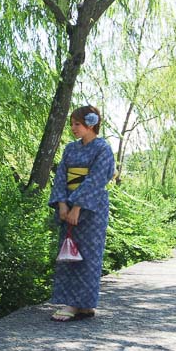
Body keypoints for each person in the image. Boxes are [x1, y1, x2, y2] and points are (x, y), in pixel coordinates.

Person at [48, 105, 115, 322]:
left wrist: (77, 206)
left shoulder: (102, 148)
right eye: (72, 124)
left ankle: (78, 304)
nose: (73, 128)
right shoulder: (70, 149)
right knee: (69, 253)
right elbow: (60, 176)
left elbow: (96, 179)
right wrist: (62, 205)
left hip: (91, 208)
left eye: (77, 124)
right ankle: (79, 304)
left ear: (91, 123)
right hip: (68, 203)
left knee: (88, 255)